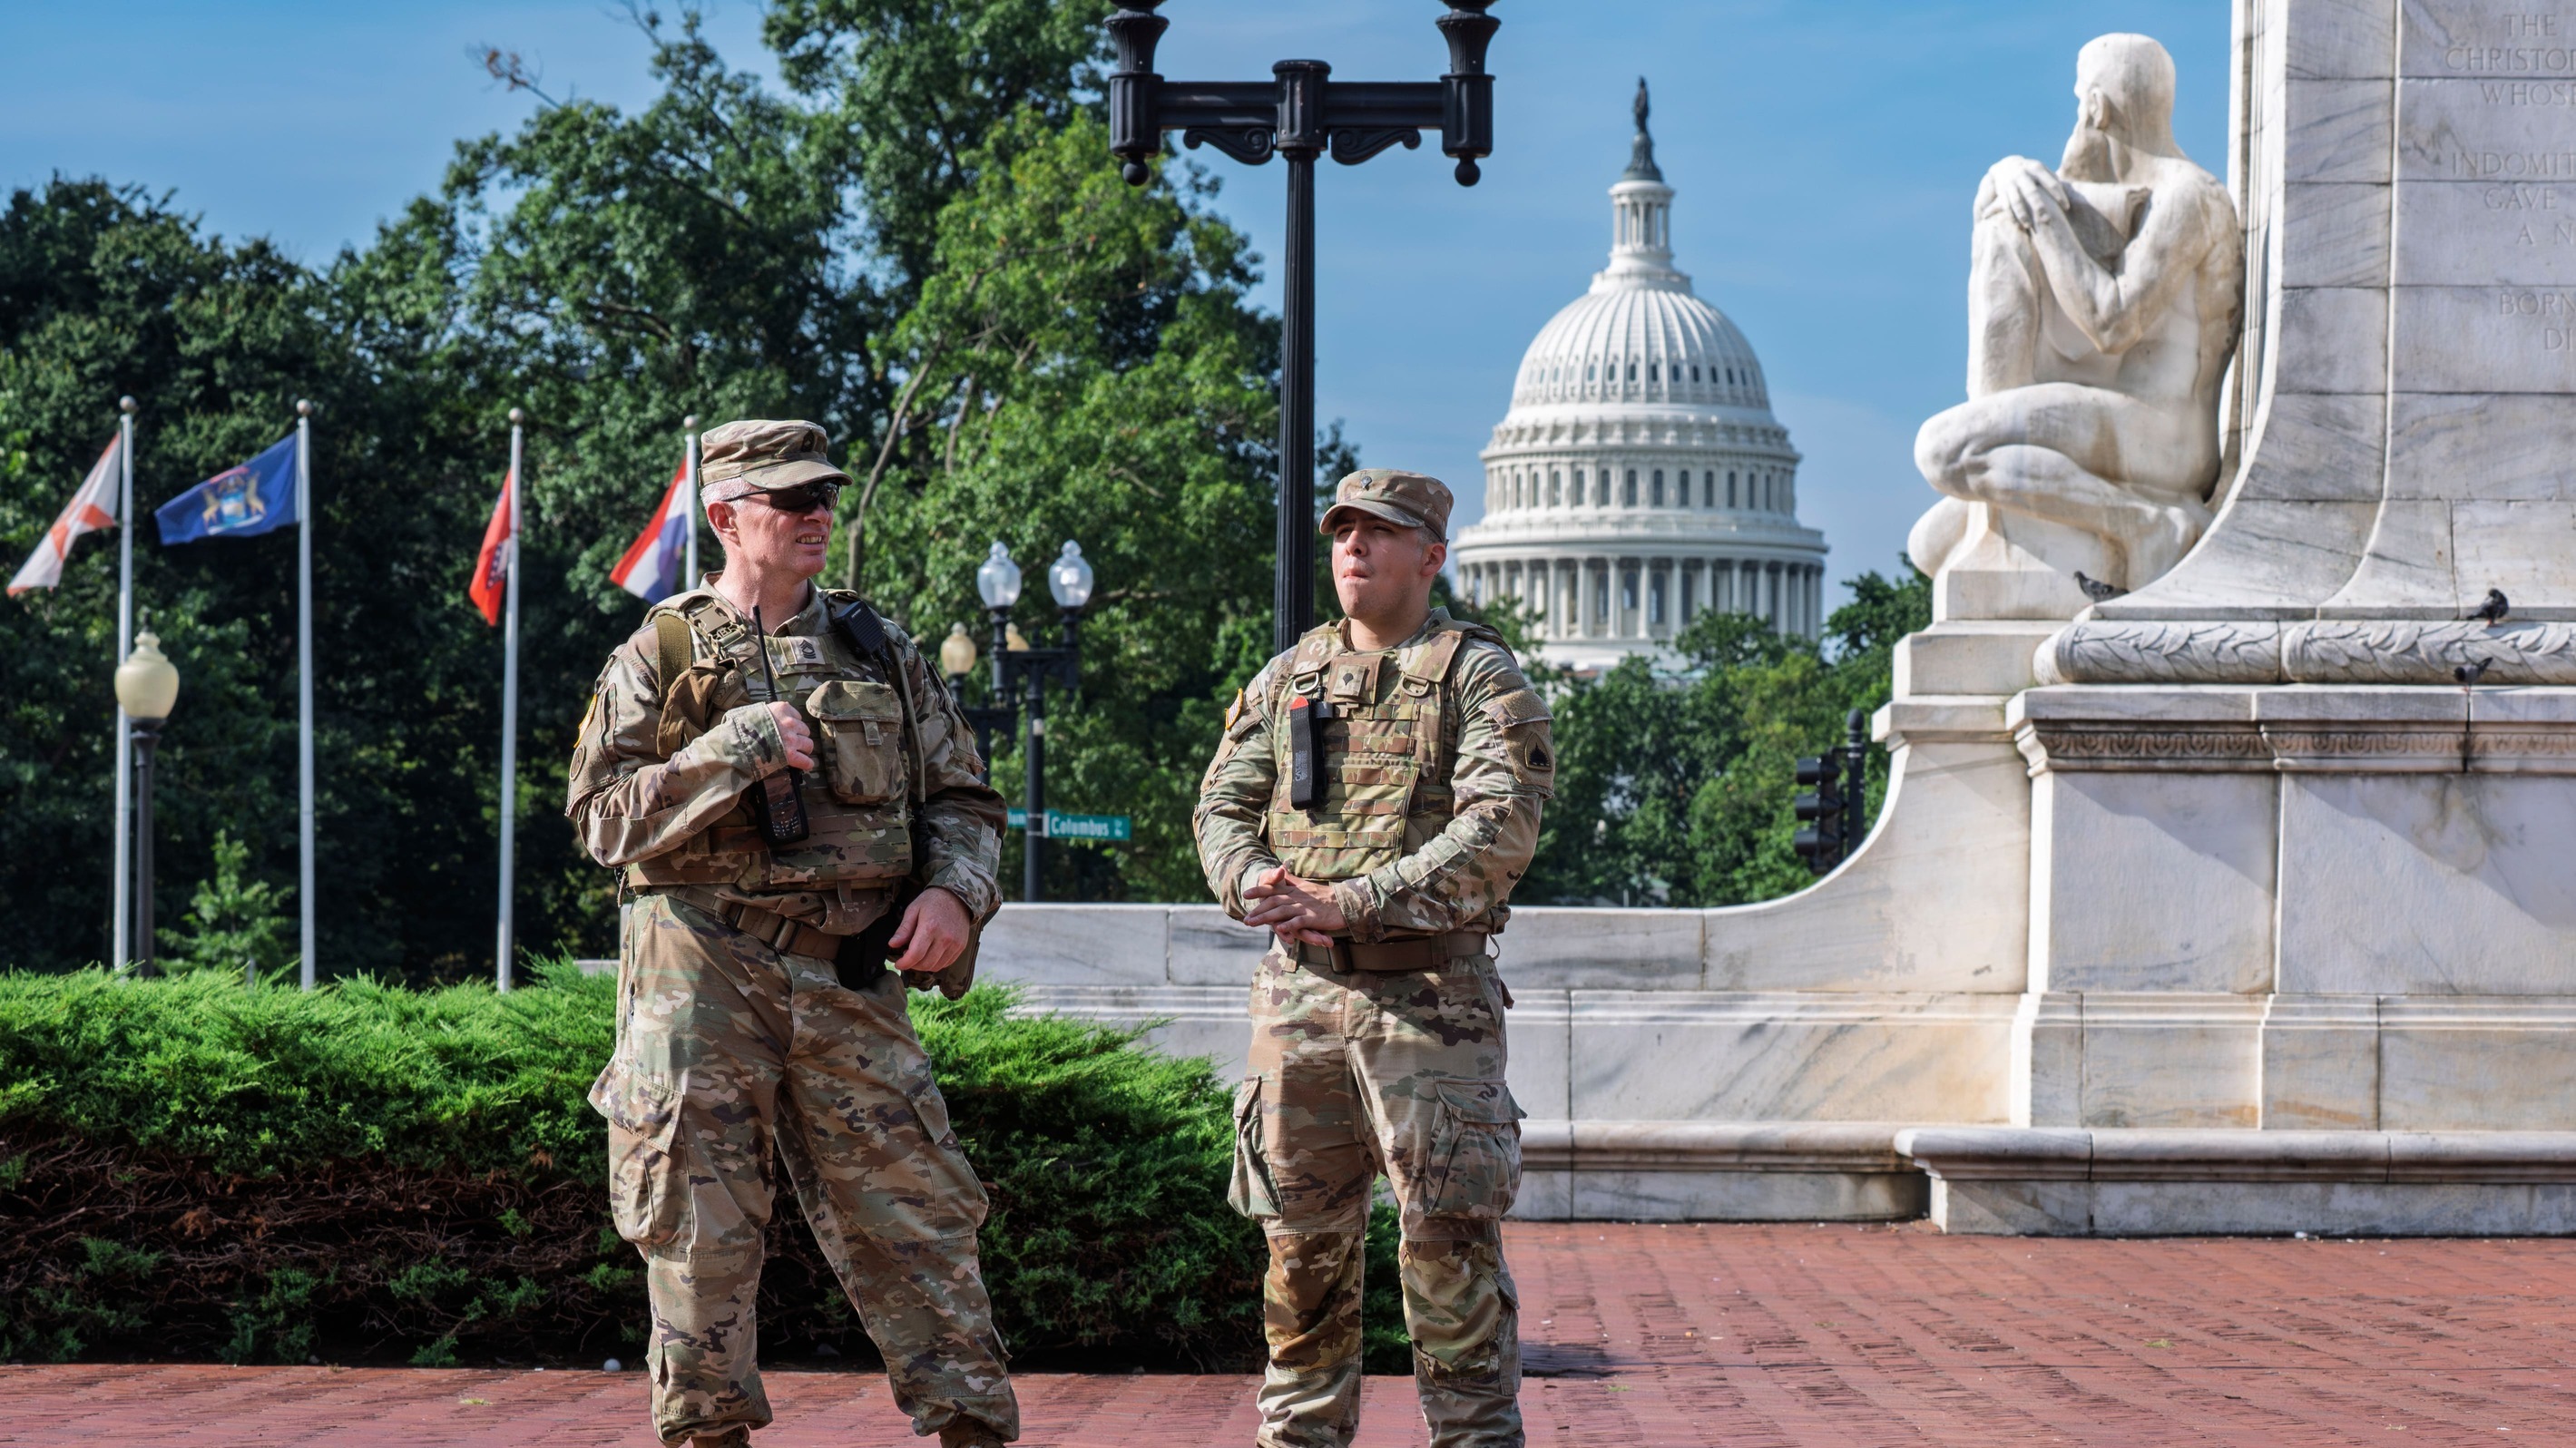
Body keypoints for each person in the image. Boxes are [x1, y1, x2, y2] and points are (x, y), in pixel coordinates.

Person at [566, 418, 1017, 1448]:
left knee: (919, 1218)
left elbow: (964, 800)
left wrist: (954, 895)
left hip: (849, 976)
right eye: (791, 501)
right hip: (701, 973)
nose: (817, 516)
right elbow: (600, 821)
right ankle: (706, 1433)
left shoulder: (878, 645)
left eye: (824, 498)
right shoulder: (661, 650)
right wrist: (729, 750)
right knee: (697, 1231)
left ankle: (972, 1429)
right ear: (725, 518)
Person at [1194, 469, 1557, 1448]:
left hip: (1429, 1003)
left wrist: (1349, 898)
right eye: (1343, 530)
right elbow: (1222, 805)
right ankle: (1299, 1438)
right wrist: (1250, 880)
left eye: (1381, 533)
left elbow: (1498, 830)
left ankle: (1474, 1438)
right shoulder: (1289, 677)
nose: (1353, 547)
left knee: (1446, 1250)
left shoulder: (1480, 676)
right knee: (1298, 1252)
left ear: (1430, 555)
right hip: (1298, 996)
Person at [1911, 32, 2242, 591]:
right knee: (1929, 543)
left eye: (2078, 100)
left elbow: (2111, 322)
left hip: (2166, 435)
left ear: (2095, 106)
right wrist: (2009, 175)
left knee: (1943, 450)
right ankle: (2122, 517)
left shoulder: (2191, 193)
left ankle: (2146, 526)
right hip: (2125, 422)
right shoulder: (2155, 188)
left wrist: (2041, 213)